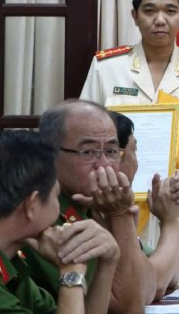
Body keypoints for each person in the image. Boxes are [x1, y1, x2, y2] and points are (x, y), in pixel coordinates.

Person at [79, 0, 179, 285]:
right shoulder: (106, 67)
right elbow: (82, 134)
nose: (160, 20)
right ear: (134, 15)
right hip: (116, 203)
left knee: (177, 295)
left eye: (170, 11)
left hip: (178, 203)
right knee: (118, 294)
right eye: (150, 10)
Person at [29, 100, 155, 313]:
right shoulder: (43, 217)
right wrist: (120, 214)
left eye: (112, 151)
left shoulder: (95, 206)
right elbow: (127, 308)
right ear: (50, 154)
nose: (104, 164)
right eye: (88, 152)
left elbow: (149, 290)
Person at [0, 130, 119, 314]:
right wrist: (70, 272)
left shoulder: (11, 259)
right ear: (32, 205)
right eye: (56, 197)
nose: (60, 208)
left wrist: (108, 262)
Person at [110, 112, 179, 299]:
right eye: (135, 151)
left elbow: (170, 277)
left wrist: (168, 218)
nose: (137, 163)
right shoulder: (103, 211)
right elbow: (153, 285)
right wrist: (174, 220)